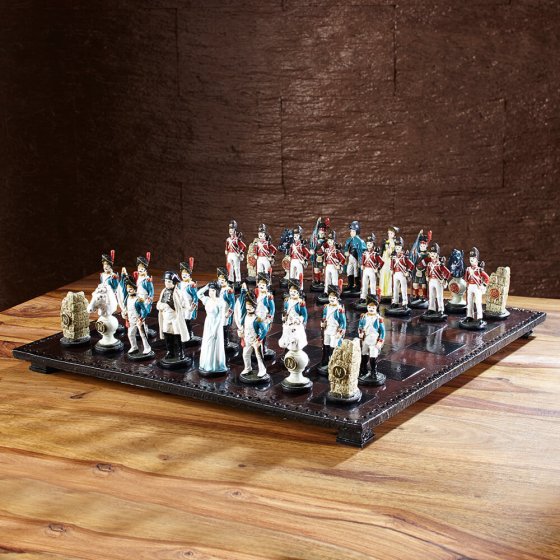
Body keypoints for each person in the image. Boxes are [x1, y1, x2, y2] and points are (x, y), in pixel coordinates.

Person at [197, 282, 227, 374]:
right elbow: (198, 294)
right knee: (207, 343)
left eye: (213, 290)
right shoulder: (207, 300)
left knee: (214, 343)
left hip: (216, 324)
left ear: (217, 291)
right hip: (208, 322)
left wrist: (215, 330)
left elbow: (220, 317)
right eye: (210, 290)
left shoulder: (220, 302)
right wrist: (206, 287)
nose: (211, 292)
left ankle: (215, 365)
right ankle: (206, 364)